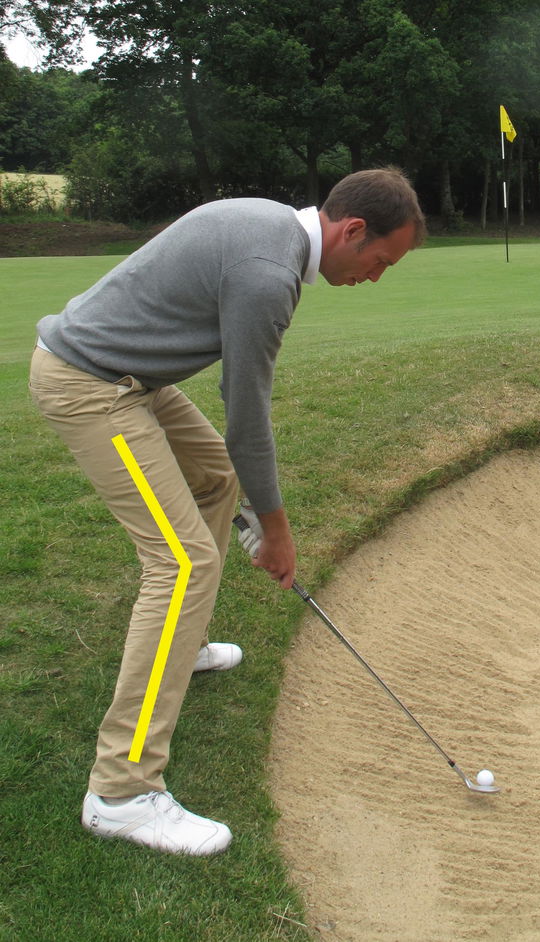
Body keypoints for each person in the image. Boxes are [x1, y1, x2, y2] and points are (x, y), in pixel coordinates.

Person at [29, 166, 426, 857]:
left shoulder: (271, 224)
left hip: (130, 376)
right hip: (93, 384)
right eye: (379, 261)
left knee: (213, 477)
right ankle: (120, 792)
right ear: (352, 230)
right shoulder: (269, 274)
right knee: (182, 562)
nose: (375, 276)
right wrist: (276, 531)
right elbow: (247, 418)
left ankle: (183, 646)